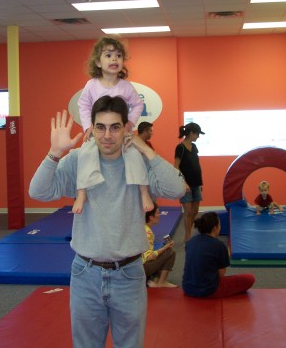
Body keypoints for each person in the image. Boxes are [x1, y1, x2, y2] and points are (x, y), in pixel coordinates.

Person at [29, 95, 186, 348]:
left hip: (129, 274)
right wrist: (54, 153)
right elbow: (39, 192)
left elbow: (177, 189)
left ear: (126, 128)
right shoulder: (78, 160)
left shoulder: (139, 163)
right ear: (92, 128)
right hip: (85, 274)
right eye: (100, 127)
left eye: (115, 127)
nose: (107, 135)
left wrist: (144, 148)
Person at [74, 36, 153, 214]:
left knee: (134, 155)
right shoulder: (92, 85)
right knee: (85, 155)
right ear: (98, 62)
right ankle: (81, 193)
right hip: (98, 132)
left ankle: (144, 191)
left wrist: (129, 123)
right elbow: (84, 105)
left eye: (118, 55)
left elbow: (138, 104)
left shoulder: (125, 86)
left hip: (120, 133)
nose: (114, 59)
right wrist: (88, 127)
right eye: (108, 55)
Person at [182, 212, 255, 298]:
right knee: (250, 278)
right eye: (219, 225)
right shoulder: (218, 245)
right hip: (208, 290)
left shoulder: (191, 241)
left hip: (187, 287)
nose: (220, 227)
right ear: (215, 228)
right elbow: (221, 273)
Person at [174, 122, 204, 242]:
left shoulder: (194, 147)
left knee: (195, 211)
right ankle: (188, 237)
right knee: (188, 211)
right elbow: (175, 167)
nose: (198, 137)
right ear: (191, 133)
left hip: (196, 183)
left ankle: (189, 233)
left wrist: (200, 183)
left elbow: (196, 164)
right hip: (185, 184)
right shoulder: (180, 148)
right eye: (197, 134)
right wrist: (183, 182)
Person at [143, 202, 177, 288]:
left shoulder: (141, 227)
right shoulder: (148, 232)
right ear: (151, 217)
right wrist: (165, 247)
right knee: (169, 252)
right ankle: (161, 282)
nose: (159, 215)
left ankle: (154, 280)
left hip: (136, 265)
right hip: (142, 267)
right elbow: (149, 257)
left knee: (161, 251)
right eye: (157, 213)